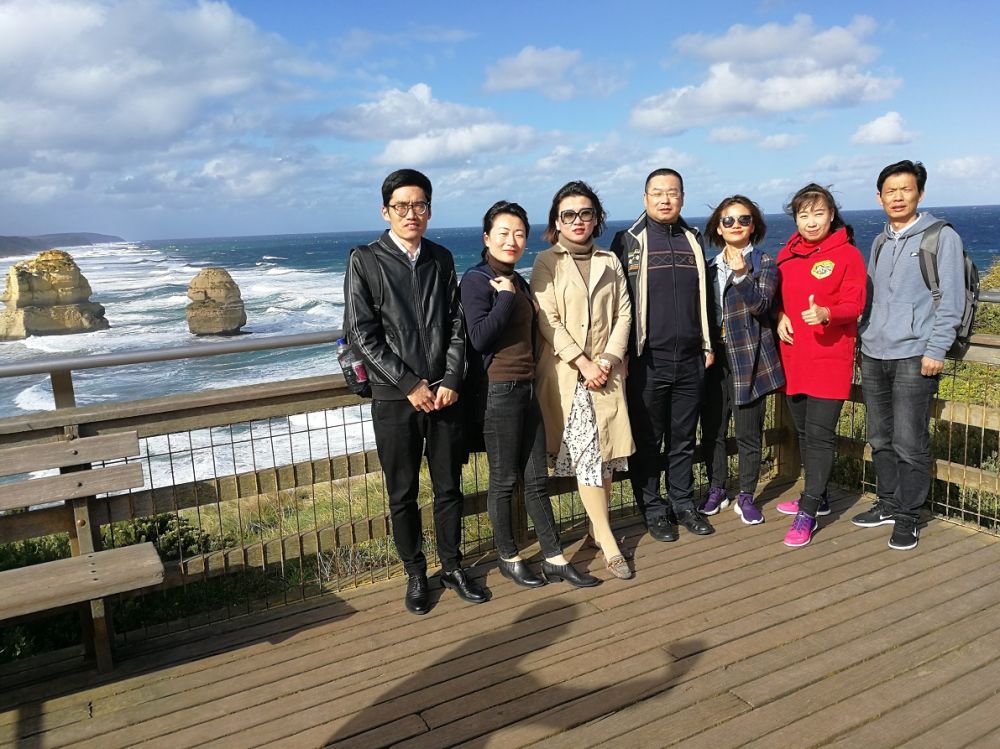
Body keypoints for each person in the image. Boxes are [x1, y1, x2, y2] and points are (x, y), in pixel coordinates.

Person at [344, 168, 487, 614]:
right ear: (385, 211)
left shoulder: (440, 258)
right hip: (395, 398)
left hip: (444, 396)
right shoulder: (365, 260)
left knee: (449, 487)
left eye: (419, 205)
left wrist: (452, 379)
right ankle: (415, 573)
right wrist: (408, 384)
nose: (412, 213)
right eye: (402, 205)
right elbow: (361, 333)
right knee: (402, 492)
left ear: (429, 209)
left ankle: (452, 566)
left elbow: (457, 324)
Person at [461, 201, 599, 588]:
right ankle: (509, 556)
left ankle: (554, 558)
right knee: (504, 481)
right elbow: (480, 337)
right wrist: (505, 298)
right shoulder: (476, 280)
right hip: (498, 392)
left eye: (519, 234)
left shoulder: (517, 281)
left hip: (527, 388)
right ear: (487, 238)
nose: (512, 240)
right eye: (503, 233)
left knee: (537, 479)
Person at [854, 161, 966, 550]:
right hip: (874, 351)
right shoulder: (880, 241)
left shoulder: (941, 237)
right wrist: (861, 338)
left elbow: (951, 300)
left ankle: (908, 515)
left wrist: (936, 348)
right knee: (879, 437)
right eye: (891, 191)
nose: (898, 197)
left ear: (920, 193)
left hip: (914, 354)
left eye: (906, 189)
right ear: (879, 197)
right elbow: (870, 298)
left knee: (908, 439)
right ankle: (888, 502)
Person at [531, 181, 634, 580]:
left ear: (596, 219)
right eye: (568, 214)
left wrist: (607, 359)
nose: (578, 220)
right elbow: (547, 319)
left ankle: (595, 529)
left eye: (585, 213)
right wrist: (584, 363)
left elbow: (624, 313)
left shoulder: (610, 260)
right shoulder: (546, 262)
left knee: (604, 456)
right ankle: (608, 540)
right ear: (556, 221)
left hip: (607, 374)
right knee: (589, 456)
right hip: (569, 375)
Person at [610, 168, 715, 543]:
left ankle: (683, 504)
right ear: (645, 198)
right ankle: (654, 510)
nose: (665, 199)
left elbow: (704, 296)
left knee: (683, 438)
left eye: (672, 192)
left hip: (690, 358)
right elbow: (617, 302)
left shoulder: (693, 238)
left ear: (682, 198)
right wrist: (622, 353)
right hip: (646, 359)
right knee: (649, 439)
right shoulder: (628, 241)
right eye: (657, 193)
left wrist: (707, 343)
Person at [774, 183, 867, 547]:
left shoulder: (848, 254)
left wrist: (827, 313)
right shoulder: (786, 254)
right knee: (803, 432)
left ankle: (809, 510)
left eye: (818, 213)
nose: (811, 222)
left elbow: (855, 303)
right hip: (795, 356)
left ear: (831, 216)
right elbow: (776, 296)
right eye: (803, 215)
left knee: (820, 434)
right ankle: (820, 495)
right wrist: (779, 315)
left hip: (829, 357)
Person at [699, 196, 785, 525]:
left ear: (753, 226)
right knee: (714, 430)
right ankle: (717, 488)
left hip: (750, 357)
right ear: (718, 228)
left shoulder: (764, 263)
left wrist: (741, 274)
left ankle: (747, 494)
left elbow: (761, 305)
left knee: (749, 432)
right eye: (728, 220)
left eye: (744, 220)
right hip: (714, 358)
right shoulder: (708, 268)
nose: (736, 225)